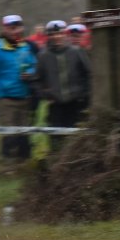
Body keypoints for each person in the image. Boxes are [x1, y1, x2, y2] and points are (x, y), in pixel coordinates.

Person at [0, 14, 37, 171]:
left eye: (18, 27)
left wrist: (30, 73)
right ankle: (7, 166)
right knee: (8, 135)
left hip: (24, 97)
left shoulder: (25, 47)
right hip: (5, 100)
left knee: (24, 133)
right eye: (11, 28)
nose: (15, 31)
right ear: (5, 29)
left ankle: (24, 164)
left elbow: (34, 65)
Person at [34, 20, 91, 153]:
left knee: (78, 140)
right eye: (53, 34)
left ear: (65, 35)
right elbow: (36, 80)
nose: (57, 37)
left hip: (76, 104)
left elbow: (89, 74)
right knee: (56, 140)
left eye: (59, 34)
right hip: (56, 105)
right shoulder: (43, 56)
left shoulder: (76, 52)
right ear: (48, 36)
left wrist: (84, 94)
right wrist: (45, 94)